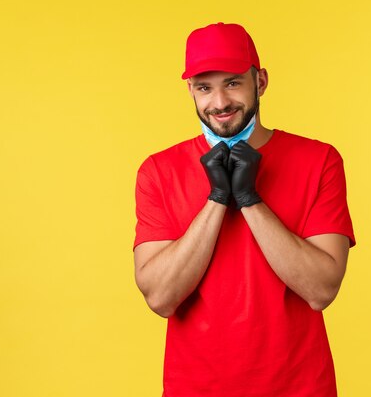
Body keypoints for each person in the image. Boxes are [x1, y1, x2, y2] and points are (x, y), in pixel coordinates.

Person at [133, 22, 356, 397]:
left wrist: (251, 200)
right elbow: (160, 297)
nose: (219, 103)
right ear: (190, 91)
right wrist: (217, 199)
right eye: (204, 87)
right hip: (195, 388)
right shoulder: (158, 171)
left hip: (300, 387)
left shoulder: (320, 160)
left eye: (233, 83)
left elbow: (321, 289)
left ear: (261, 81)